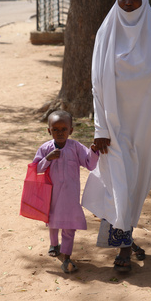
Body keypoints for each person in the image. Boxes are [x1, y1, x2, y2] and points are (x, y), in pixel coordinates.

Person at [82, 0, 151, 272]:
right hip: (114, 126)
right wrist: (100, 129)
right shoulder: (106, 32)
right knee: (119, 184)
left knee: (135, 186)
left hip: (147, 127)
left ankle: (126, 234)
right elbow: (97, 85)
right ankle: (122, 248)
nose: (127, 2)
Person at [33, 110, 99, 273]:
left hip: (70, 198)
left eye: (64, 129)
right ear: (49, 131)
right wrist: (47, 159)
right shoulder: (45, 148)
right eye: (55, 129)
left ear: (71, 130)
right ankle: (54, 245)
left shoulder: (76, 147)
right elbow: (35, 169)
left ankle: (67, 256)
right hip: (52, 196)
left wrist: (94, 151)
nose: (60, 132)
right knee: (53, 222)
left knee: (69, 226)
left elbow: (90, 164)